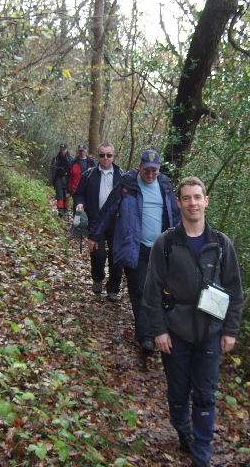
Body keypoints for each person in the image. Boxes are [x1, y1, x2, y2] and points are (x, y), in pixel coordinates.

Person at [142, 176, 244, 467]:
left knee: (205, 394)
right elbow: (151, 291)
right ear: (179, 203)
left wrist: (230, 330)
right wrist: (159, 330)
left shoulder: (221, 244)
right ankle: (182, 427)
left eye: (197, 197)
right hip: (176, 331)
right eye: (186, 198)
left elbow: (235, 290)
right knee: (178, 393)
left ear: (206, 201)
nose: (192, 203)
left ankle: (202, 452)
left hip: (211, 330)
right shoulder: (166, 243)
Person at [89, 149, 181, 354]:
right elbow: (108, 210)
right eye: (147, 170)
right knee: (139, 290)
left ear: (159, 170)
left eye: (154, 171)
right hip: (134, 246)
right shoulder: (127, 185)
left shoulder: (165, 186)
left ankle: (158, 329)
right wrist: (95, 235)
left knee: (159, 290)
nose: (150, 174)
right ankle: (146, 337)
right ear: (139, 167)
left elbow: (175, 215)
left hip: (160, 249)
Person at [73, 142, 124, 301]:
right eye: (102, 155)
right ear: (97, 156)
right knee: (98, 253)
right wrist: (79, 204)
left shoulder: (122, 175)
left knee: (117, 256)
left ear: (114, 156)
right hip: (96, 221)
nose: (105, 158)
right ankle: (97, 278)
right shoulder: (89, 175)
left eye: (109, 155)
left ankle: (113, 289)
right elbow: (78, 194)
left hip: (116, 222)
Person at [68, 144, 95, 212]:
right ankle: (76, 219)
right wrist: (69, 190)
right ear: (78, 151)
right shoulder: (73, 162)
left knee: (88, 208)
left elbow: (95, 176)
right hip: (76, 189)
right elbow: (69, 176)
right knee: (77, 209)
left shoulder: (91, 162)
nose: (82, 152)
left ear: (86, 151)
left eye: (83, 150)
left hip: (88, 189)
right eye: (80, 151)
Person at [49, 143, 73, 216]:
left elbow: (72, 170)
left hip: (67, 178)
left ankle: (66, 209)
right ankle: (60, 210)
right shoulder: (56, 158)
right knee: (59, 194)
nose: (63, 151)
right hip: (58, 178)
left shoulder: (71, 158)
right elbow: (52, 169)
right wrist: (52, 180)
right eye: (61, 149)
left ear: (66, 149)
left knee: (67, 195)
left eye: (64, 149)